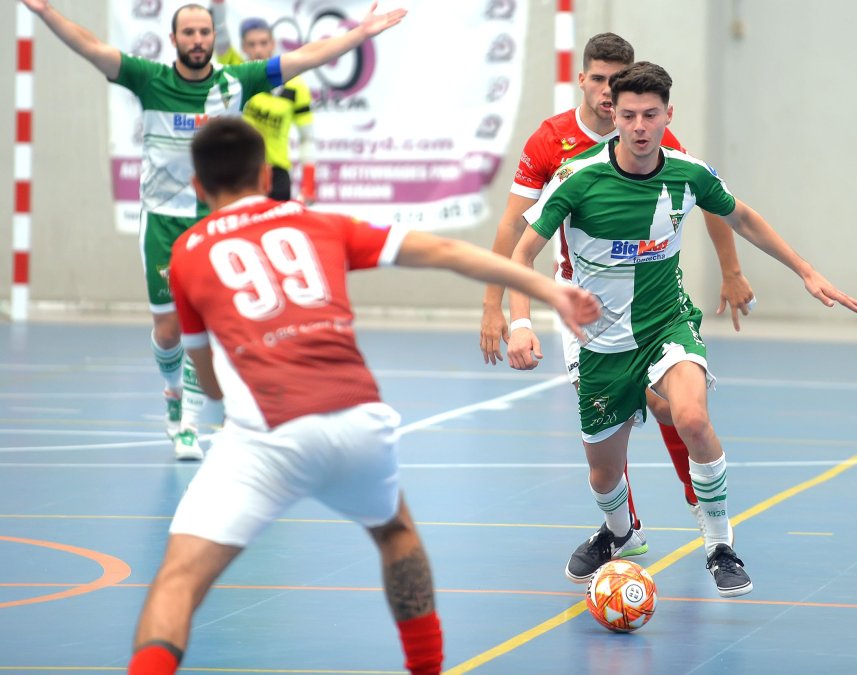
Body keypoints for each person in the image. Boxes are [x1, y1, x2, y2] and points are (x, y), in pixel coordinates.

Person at [127, 116, 599, 674]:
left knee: (178, 581)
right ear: (266, 175)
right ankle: (426, 668)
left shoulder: (187, 253)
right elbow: (443, 250)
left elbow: (208, 384)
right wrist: (548, 289)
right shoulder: (319, 223)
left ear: (197, 186)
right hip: (357, 418)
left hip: (266, 432)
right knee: (396, 534)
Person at [507, 62, 857, 597]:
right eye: (630, 115)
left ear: (668, 115)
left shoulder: (688, 173)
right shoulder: (576, 179)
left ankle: (720, 546)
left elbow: (743, 217)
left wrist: (805, 271)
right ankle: (620, 532)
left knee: (692, 417)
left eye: (651, 115)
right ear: (613, 115)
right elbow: (522, 253)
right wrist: (518, 321)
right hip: (600, 341)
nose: (640, 126)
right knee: (604, 475)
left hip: (666, 324)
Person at [19, 0, 404, 460]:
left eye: (204, 32)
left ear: (213, 37)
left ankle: (189, 423)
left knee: (208, 324)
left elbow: (304, 57)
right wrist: (47, 13)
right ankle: (173, 395)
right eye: (189, 33)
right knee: (168, 331)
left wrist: (358, 35)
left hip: (215, 222)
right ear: (174, 40)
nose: (198, 40)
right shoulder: (149, 79)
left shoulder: (235, 82)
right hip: (163, 219)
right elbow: (93, 47)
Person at [481, 33, 756, 553]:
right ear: (583, 79)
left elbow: (712, 201)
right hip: (582, 300)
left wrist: (732, 269)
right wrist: (497, 307)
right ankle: (623, 530)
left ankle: (704, 508)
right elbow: (513, 230)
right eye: (600, 80)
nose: (608, 92)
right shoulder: (552, 141)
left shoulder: (655, 135)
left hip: (651, 293)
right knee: (608, 419)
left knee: (676, 406)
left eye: (617, 80)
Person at [211, 0, 318, 204]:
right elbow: (220, 35)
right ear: (243, 47)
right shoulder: (237, 71)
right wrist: (217, 6)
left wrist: (308, 184)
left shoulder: (296, 86)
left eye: (263, 43)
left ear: (272, 44)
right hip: (240, 169)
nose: (258, 49)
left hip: (277, 174)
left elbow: (307, 138)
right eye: (252, 44)